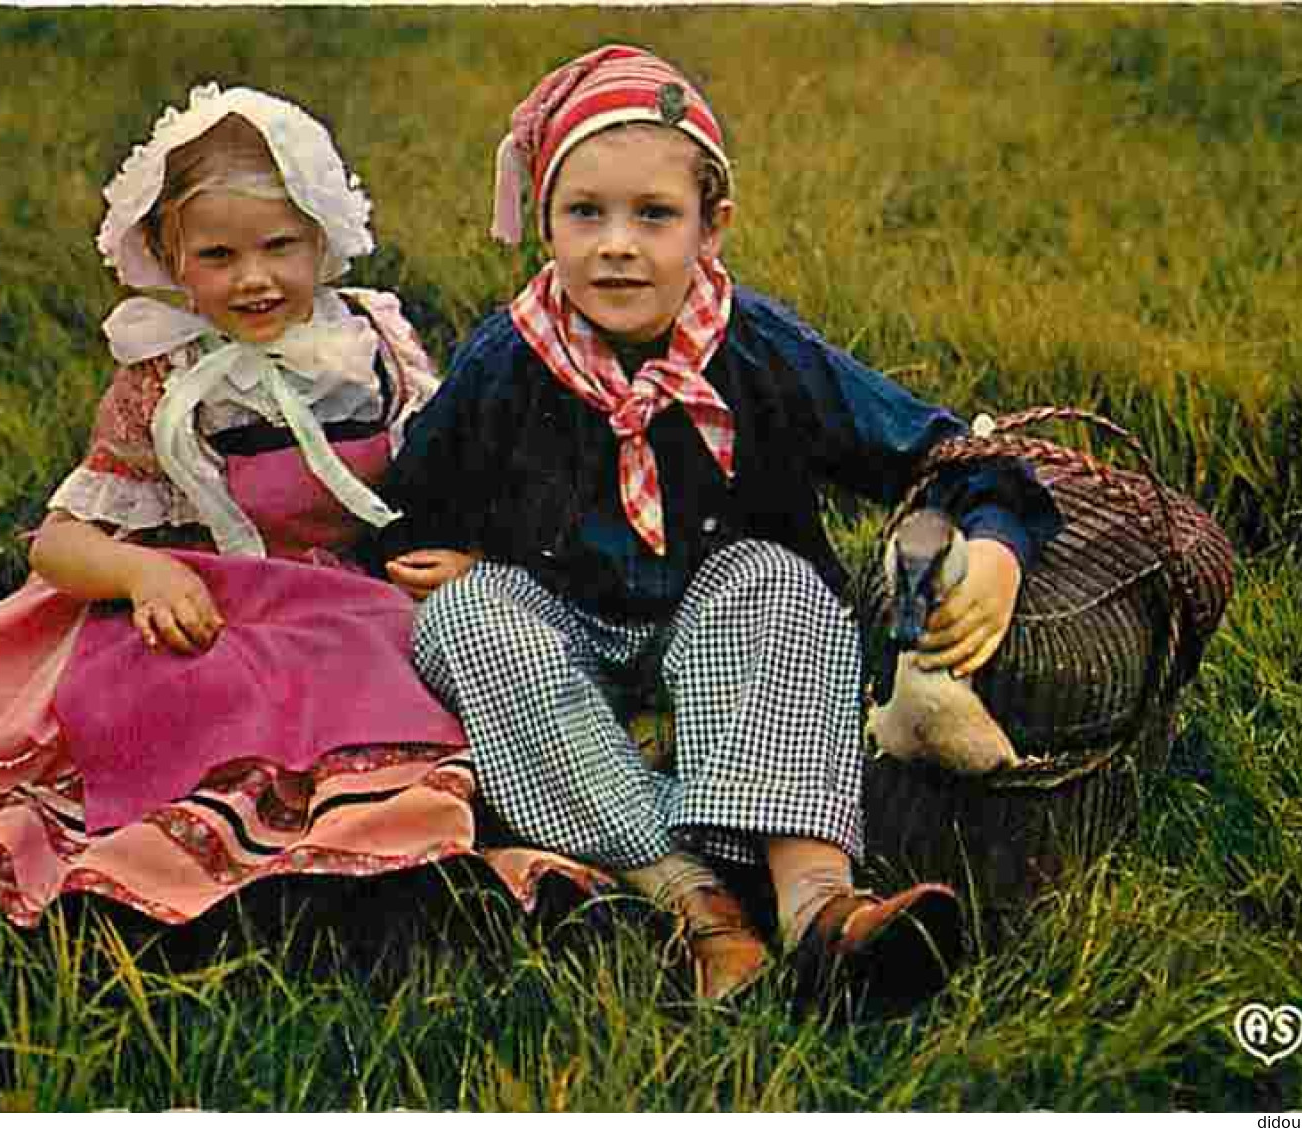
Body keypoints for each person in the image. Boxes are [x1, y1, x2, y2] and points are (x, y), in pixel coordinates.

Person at [0, 83, 599, 927]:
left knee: (438, 693)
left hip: (355, 600)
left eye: (280, 246)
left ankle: (397, 851)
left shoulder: (374, 344)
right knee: (191, 711)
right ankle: (254, 862)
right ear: (171, 260)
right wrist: (140, 572)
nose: (254, 278)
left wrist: (464, 556)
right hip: (218, 605)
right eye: (217, 257)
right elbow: (58, 542)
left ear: (324, 237)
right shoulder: (165, 377)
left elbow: (447, 480)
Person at [374, 46, 1061, 1009]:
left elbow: (943, 453)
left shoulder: (757, 347)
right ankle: (696, 906)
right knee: (463, 618)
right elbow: (402, 510)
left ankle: (817, 902)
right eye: (586, 214)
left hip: (723, 626)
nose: (618, 245)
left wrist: (992, 549)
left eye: (654, 215)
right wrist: (464, 560)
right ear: (545, 223)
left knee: (775, 577)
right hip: (566, 628)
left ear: (712, 225)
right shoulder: (507, 360)